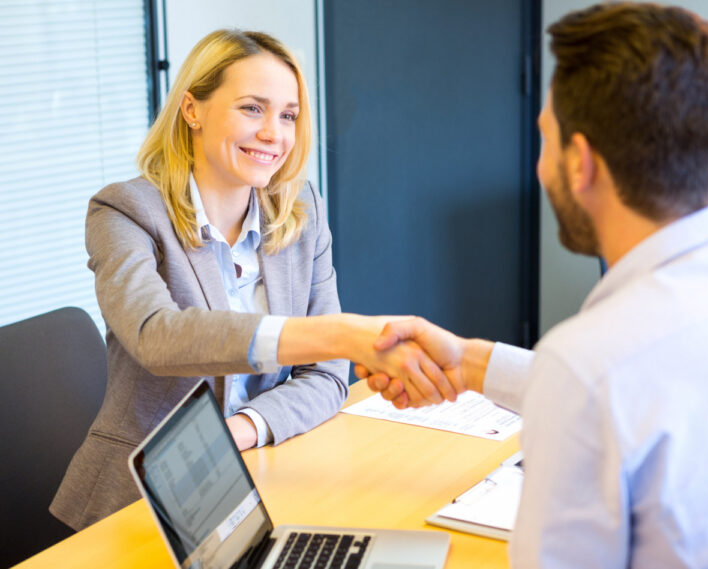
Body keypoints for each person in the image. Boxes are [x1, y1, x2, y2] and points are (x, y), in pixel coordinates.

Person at [359, 3, 708, 567]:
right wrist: (471, 362)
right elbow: (643, 393)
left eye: (545, 138)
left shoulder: (588, 365)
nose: (539, 165)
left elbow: (603, 387)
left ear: (580, 163)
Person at [50, 29, 452, 531]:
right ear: (192, 109)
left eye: (288, 115)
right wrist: (341, 335)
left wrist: (241, 430)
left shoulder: (301, 214)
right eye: (252, 109)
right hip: (140, 500)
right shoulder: (126, 212)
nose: (274, 134)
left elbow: (326, 376)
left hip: (261, 476)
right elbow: (157, 336)